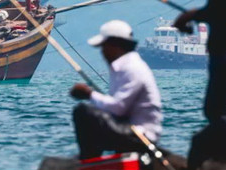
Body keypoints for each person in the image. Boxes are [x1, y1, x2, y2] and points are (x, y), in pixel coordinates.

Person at [70, 20, 163, 159]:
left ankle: (88, 160)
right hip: (130, 130)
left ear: (115, 45)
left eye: (104, 47)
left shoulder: (132, 68)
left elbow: (119, 108)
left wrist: (89, 94)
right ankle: (91, 159)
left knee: (83, 112)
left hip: (141, 137)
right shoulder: (122, 67)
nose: (102, 52)